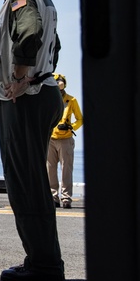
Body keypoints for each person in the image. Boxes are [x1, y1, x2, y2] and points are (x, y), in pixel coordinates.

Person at [0, 0, 66, 281]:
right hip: (43, 93)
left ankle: (43, 264)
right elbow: (55, 47)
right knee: (30, 179)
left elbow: (29, 35)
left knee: (25, 183)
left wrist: (19, 79)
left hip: (26, 98)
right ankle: (42, 259)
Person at [47, 73, 83, 209]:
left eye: (61, 89)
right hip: (50, 138)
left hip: (65, 139)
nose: (59, 91)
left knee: (66, 170)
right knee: (50, 169)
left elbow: (80, 119)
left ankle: (66, 198)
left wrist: (70, 126)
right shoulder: (48, 100)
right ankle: (53, 196)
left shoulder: (71, 100)